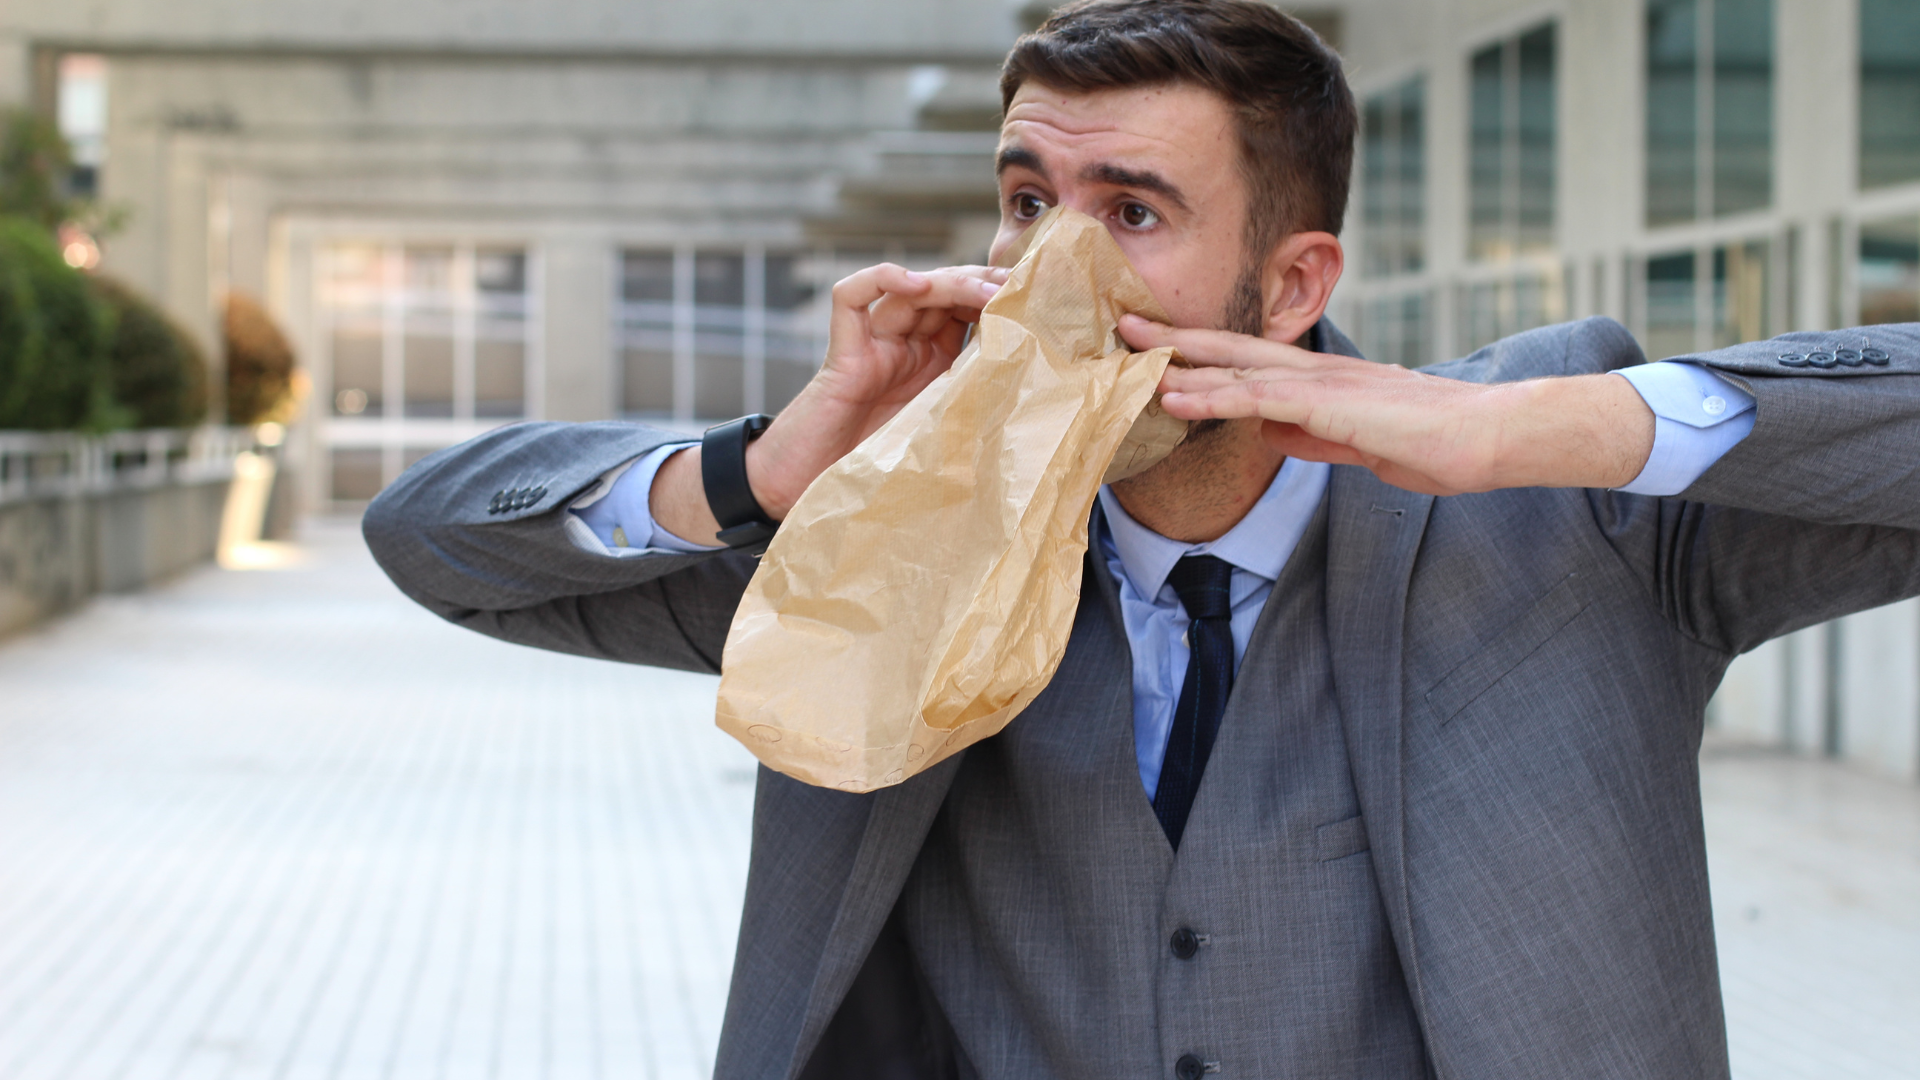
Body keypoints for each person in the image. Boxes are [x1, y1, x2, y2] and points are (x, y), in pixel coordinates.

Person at [363, 2, 1920, 1077]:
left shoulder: (1566, 517)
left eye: (1132, 213)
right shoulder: (898, 541)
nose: (1054, 268)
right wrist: (766, 465)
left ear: (1294, 284)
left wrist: (1525, 430)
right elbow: (435, 540)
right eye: (1027, 197)